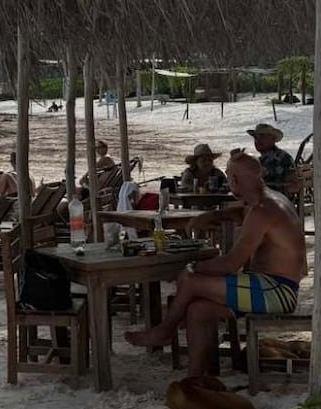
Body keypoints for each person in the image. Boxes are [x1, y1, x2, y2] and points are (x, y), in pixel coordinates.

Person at [125, 152, 305, 377]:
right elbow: (241, 212)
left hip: (278, 291)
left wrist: (195, 267)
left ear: (234, 180)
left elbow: (230, 264)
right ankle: (197, 377)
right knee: (197, 310)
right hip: (270, 286)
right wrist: (211, 216)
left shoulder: (263, 210)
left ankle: (164, 330)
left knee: (190, 281)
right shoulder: (266, 199)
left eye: (229, 176)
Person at [247, 123, 299, 194]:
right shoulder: (259, 160)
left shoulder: (283, 158)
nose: (257, 141)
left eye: (262, 137)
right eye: (256, 138)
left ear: (273, 139)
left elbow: (293, 186)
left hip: (276, 201)